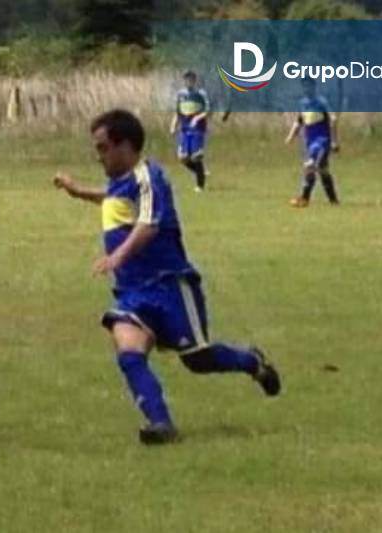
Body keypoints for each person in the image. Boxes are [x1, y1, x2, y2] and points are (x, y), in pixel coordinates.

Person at [53, 109, 280, 445]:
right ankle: (161, 423)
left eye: (102, 148)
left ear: (125, 146)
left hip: (170, 285)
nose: (97, 155)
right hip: (133, 292)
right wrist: (78, 191)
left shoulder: (150, 176)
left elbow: (148, 225)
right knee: (128, 352)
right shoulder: (122, 183)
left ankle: (251, 361)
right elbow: (113, 198)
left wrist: (117, 256)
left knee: (198, 361)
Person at [285, 78, 340, 207]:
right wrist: (291, 136)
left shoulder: (321, 103)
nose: (306, 89)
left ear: (314, 87)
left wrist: (334, 141)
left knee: (313, 165)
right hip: (310, 143)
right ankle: (333, 201)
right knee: (323, 169)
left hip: (323, 141)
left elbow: (333, 119)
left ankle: (304, 198)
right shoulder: (302, 104)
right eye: (304, 86)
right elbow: (299, 121)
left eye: (309, 86)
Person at [170, 71, 211, 192]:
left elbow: (208, 111)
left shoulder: (201, 94)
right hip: (184, 128)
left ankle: (200, 185)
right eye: (187, 79)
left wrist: (198, 118)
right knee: (183, 157)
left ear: (194, 80)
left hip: (197, 129)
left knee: (196, 156)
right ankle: (200, 172)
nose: (189, 82)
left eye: (191, 79)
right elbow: (177, 112)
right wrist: (173, 125)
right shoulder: (180, 95)